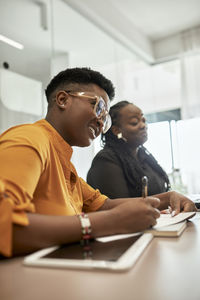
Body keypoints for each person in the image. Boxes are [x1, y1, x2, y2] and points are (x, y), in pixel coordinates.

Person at [0, 68, 196, 258]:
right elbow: (4, 225)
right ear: (63, 100)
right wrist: (110, 222)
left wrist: (169, 197)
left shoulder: (64, 162)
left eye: (106, 118)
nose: (102, 123)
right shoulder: (29, 139)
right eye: (99, 107)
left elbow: (104, 205)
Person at [87, 100, 171, 198]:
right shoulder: (106, 160)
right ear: (116, 130)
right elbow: (120, 206)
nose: (143, 126)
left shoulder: (144, 156)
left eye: (143, 120)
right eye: (134, 122)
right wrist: (167, 199)